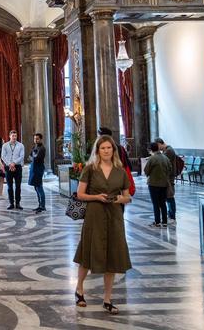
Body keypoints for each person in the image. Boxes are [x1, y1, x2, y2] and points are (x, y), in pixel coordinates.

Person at [74, 135, 132, 315]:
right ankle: (79, 288)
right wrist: (97, 197)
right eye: (103, 148)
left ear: (113, 150)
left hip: (114, 215)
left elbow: (128, 196)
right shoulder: (90, 169)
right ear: (97, 151)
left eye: (109, 148)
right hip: (95, 215)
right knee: (88, 253)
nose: (106, 151)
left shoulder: (120, 171)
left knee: (113, 256)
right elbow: (80, 194)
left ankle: (107, 298)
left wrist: (119, 199)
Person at [98, 127, 136, 201]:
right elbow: (127, 163)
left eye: (99, 136)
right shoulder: (120, 147)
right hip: (119, 177)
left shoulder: (103, 148)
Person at [145, 142, 172, 228]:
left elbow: (146, 171)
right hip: (164, 184)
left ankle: (157, 222)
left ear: (151, 149)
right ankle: (164, 222)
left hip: (153, 184)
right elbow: (170, 169)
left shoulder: (152, 159)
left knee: (156, 204)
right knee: (163, 203)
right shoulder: (165, 158)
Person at [1, 130, 25, 210]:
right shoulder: (5, 145)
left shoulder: (21, 145)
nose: (14, 137)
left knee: (18, 186)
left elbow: (21, 156)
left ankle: (18, 203)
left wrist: (14, 163)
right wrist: (10, 164)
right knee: (9, 186)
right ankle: (11, 203)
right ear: (9, 136)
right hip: (8, 167)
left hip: (18, 167)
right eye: (13, 136)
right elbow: (3, 156)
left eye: (15, 136)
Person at [155, 137, 177, 222]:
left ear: (160, 144)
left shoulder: (169, 151)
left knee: (170, 196)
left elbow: (162, 161)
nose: (158, 148)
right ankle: (170, 214)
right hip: (167, 176)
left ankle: (172, 216)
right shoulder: (166, 150)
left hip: (169, 177)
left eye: (158, 146)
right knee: (168, 196)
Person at [28, 133, 47, 213]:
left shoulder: (42, 148)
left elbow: (36, 158)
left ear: (40, 139)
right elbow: (29, 157)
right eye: (35, 138)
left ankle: (42, 206)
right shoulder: (34, 146)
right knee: (36, 188)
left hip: (38, 169)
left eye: (37, 139)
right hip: (33, 168)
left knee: (39, 187)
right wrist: (33, 158)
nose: (35, 140)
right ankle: (39, 205)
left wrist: (33, 158)